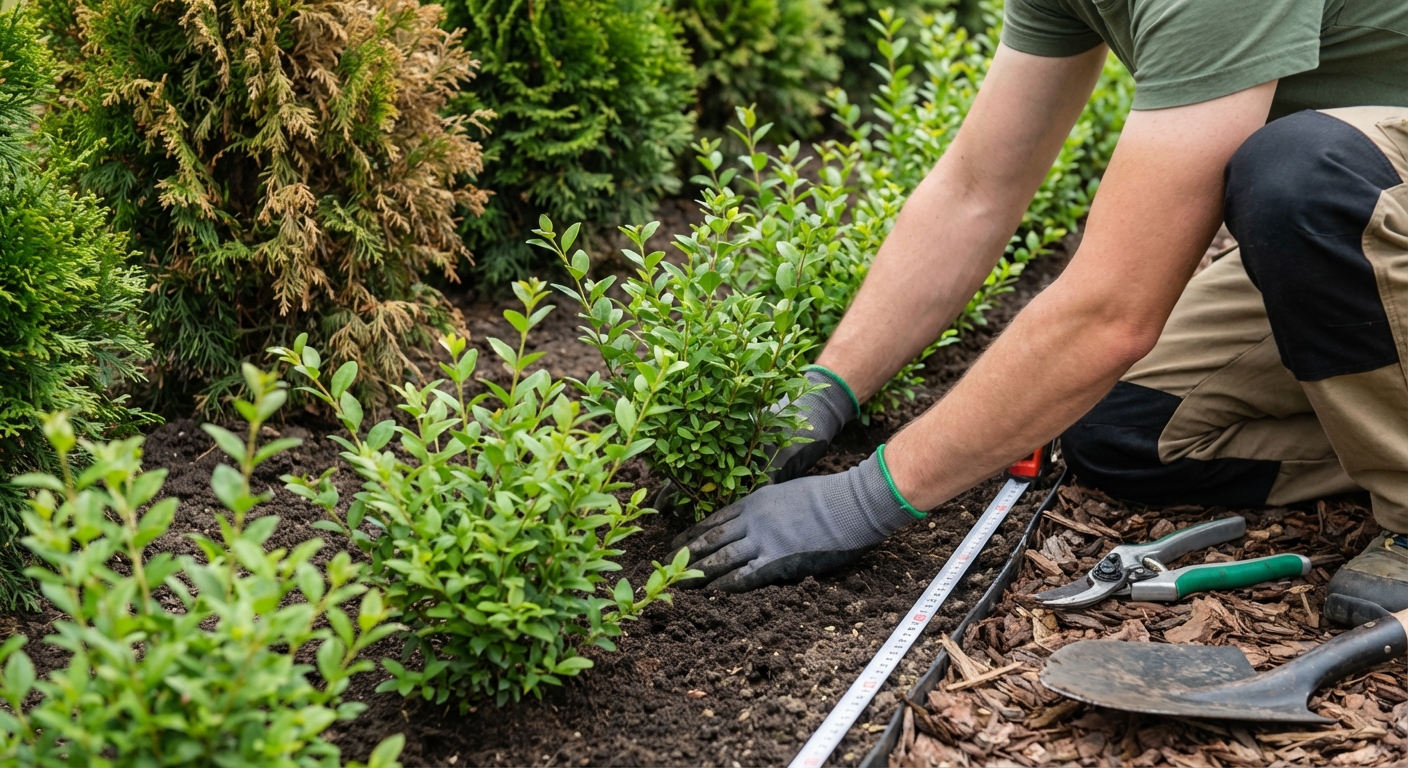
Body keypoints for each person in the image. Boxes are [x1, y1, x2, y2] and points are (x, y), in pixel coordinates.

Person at [672, 0, 1408, 627]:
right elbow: (975, 189)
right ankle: (1376, 430)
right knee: (1129, 430)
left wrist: (864, 499)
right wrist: (824, 390)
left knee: (1299, 174)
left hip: (1356, 190)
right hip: (1382, 209)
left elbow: (1112, 312)